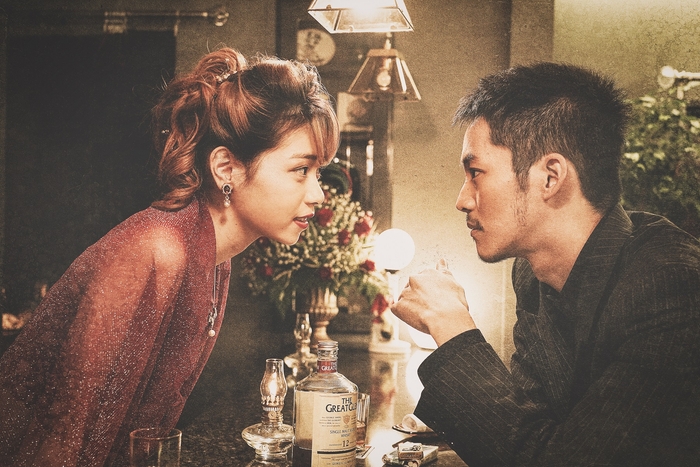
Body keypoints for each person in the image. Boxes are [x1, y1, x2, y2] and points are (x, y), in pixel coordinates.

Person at [0, 47, 339, 467]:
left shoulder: (214, 253)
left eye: (319, 172)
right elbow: (66, 439)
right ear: (226, 168)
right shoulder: (157, 251)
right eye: (301, 170)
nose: (318, 194)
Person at [392, 62, 700, 466]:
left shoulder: (671, 285)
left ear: (550, 177)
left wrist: (451, 325)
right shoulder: (533, 273)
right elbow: (528, 427)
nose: (462, 200)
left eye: (475, 173)